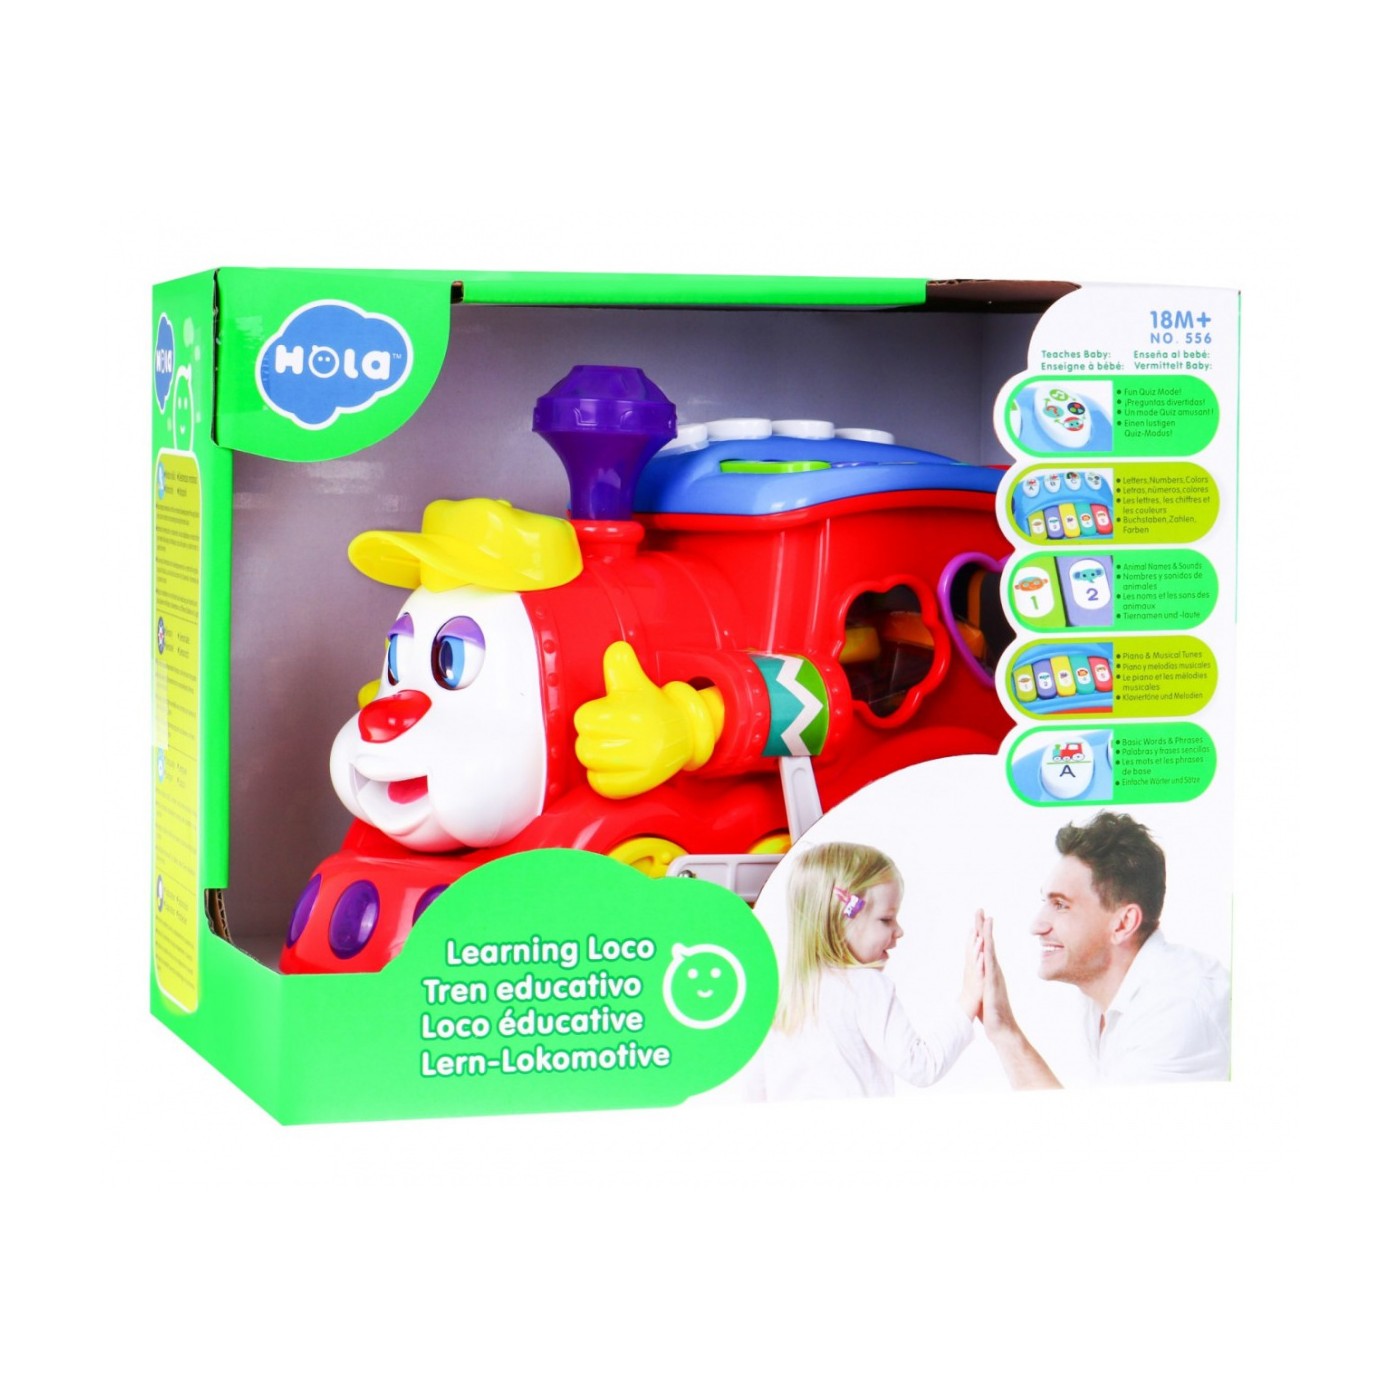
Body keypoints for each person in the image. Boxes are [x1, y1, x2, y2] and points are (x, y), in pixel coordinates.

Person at [976, 811, 1229, 1088]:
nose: (1036, 926)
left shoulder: (1175, 1010)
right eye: (1045, 902)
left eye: (1060, 905)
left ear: (1123, 923)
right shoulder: (1100, 995)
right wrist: (1002, 1028)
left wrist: (1006, 1034)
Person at [750, 842, 980, 1100]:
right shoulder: (865, 987)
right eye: (886, 919)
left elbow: (756, 1090)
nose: (899, 931)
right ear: (840, 920)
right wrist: (968, 1000)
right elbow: (921, 1067)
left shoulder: (781, 994)